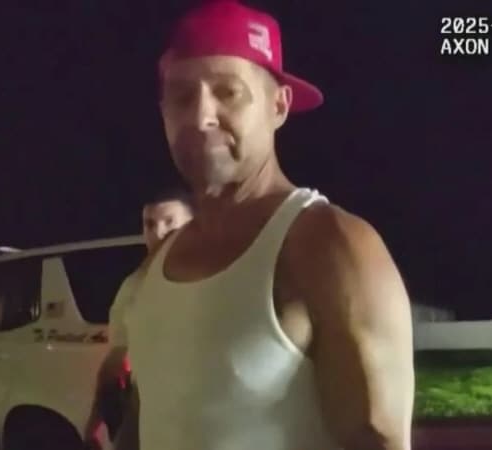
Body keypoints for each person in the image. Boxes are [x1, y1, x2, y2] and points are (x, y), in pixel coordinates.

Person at [123, 2, 415, 450]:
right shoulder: (158, 263)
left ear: (278, 106)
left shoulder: (332, 247)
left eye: (228, 92)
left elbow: (379, 439)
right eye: (181, 97)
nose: (200, 117)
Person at [83, 189, 194, 450]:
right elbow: (116, 358)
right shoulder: (133, 286)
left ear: (194, 223)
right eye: (149, 224)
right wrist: (94, 422)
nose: (158, 233)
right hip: (145, 409)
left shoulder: (219, 276)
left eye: (169, 221)